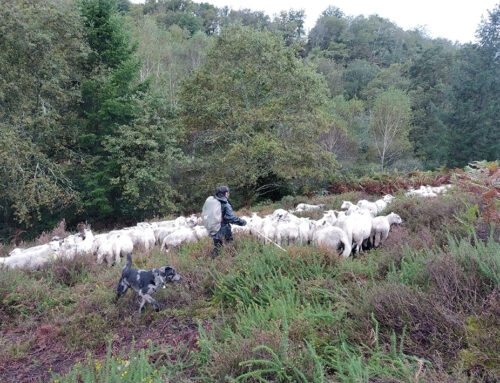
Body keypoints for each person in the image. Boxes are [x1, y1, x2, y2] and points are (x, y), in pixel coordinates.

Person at [210, 186, 246, 259]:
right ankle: (231, 261)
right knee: (230, 245)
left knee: (217, 247)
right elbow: (231, 218)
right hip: (224, 228)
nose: (228, 194)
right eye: (228, 192)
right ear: (225, 193)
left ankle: (213, 261)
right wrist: (242, 222)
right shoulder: (225, 204)